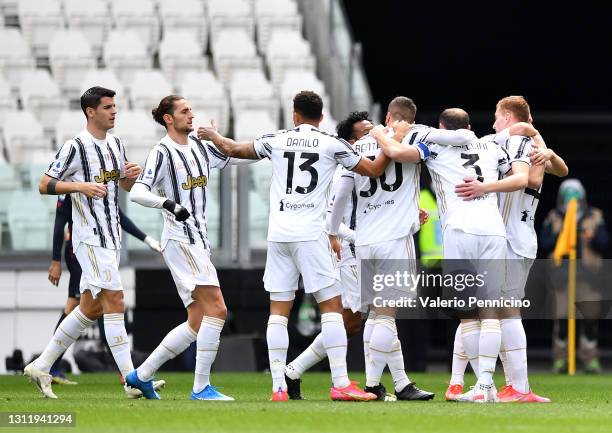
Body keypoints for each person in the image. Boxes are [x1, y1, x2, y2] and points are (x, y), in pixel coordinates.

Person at [198, 90, 389, 402]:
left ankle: (278, 388)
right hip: (311, 234)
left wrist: (213, 134)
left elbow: (233, 149)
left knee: (278, 311)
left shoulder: (278, 139)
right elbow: (373, 170)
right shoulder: (331, 143)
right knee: (331, 307)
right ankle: (340, 382)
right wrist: (387, 141)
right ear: (321, 116)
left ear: (295, 115)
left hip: (279, 234)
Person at [377, 108, 531, 402]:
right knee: (491, 310)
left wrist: (378, 134)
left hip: (460, 232)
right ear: (469, 126)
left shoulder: (434, 145)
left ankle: (481, 385)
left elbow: (397, 153)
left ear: (441, 127)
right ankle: (486, 384)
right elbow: (514, 176)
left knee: (467, 313)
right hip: (494, 232)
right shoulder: (493, 146)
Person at [126, 95, 254, 400]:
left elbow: (235, 155)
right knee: (218, 309)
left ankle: (140, 375)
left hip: (198, 239)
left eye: (191, 110)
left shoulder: (198, 146)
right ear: (169, 118)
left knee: (197, 320)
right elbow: (138, 193)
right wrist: (168, 204)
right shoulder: (162, 151)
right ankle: (201, 387)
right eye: (184, 111)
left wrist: (260, 148)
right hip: (181, 239)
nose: (191, 115)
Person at [25, 86, 142, 399]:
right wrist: (80, 186)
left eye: (115, 106)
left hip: (111, 239)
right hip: (88, 240)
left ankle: (41, 365)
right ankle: (132, 380)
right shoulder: (76, 146)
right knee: (115, 302)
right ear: (91, 112)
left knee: (89, 309)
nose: (114, 111)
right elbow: (44, 183)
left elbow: (125, 185)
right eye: (108, 107)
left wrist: (131, 175)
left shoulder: (116, 144)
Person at [449, 96, 567, 403]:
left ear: (506, 118)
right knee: (501, 312)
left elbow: (530, 177)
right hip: (517, 237)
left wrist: (531, 136)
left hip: (512, 238)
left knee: (502, 313)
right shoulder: (527, 146)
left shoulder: (521, 148)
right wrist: (545, 147)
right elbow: (562, 170)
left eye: (497, 118)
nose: (493, 124)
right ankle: (513, 386)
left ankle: (515, 387)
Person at [328, 97, 437, 401]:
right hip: (393, 240)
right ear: (407, 119)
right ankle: (373, 385)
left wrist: (332, 232)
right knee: (386, 316)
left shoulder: (356, 149)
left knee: (376, 315)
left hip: (364, 241)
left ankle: (395, 384)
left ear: (387, 115)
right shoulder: (409, 140)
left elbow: (340, 196)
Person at [283, 111, 373, 399]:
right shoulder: (341, 170)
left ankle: (294, 370)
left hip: (364, 249)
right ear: (350, 141)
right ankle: (380, 383)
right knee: (352, 320)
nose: (370, 136)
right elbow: (330, 216)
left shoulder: (367, 166)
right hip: (346, 249)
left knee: (354, 322)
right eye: (364, 132)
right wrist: (354, 237)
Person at [47, 193, 162, 386]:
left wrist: (147, 239)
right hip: (81, 252)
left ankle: (48, 366)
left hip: (103, 251)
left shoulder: (103, 182)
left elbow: (119, 217)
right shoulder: (72, 184)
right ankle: (51, 366)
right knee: (93, 305)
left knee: (93, 307)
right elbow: (60, 223)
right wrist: (55, 261)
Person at [540, 179, 608, 374]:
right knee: (561, 319)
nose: (572, 197)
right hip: (561, 277)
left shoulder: (594, 216)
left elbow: (604, 243)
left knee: (590, 319)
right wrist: (562, 234)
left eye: (575, 192)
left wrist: (592, 237)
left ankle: (590, 359)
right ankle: (561, 359)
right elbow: (544, 244)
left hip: (589, 276)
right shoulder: (554, 217)